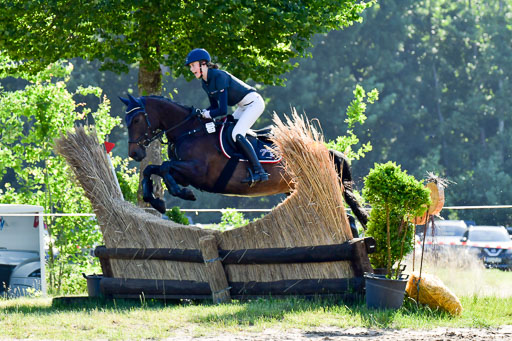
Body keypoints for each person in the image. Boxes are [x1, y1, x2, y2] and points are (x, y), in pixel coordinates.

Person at [184, 48, 269, 183]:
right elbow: (214, 108)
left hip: (254, 103)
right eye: (190, 66)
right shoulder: (205, 83)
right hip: (242, 106)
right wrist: (200, 114)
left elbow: (222, 110)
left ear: (203, 63)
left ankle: (260, 171)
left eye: (193, 65)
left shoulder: (219, 77)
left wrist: (207, 113)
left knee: (237, 134)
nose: (191, 69)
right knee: (228, 131)